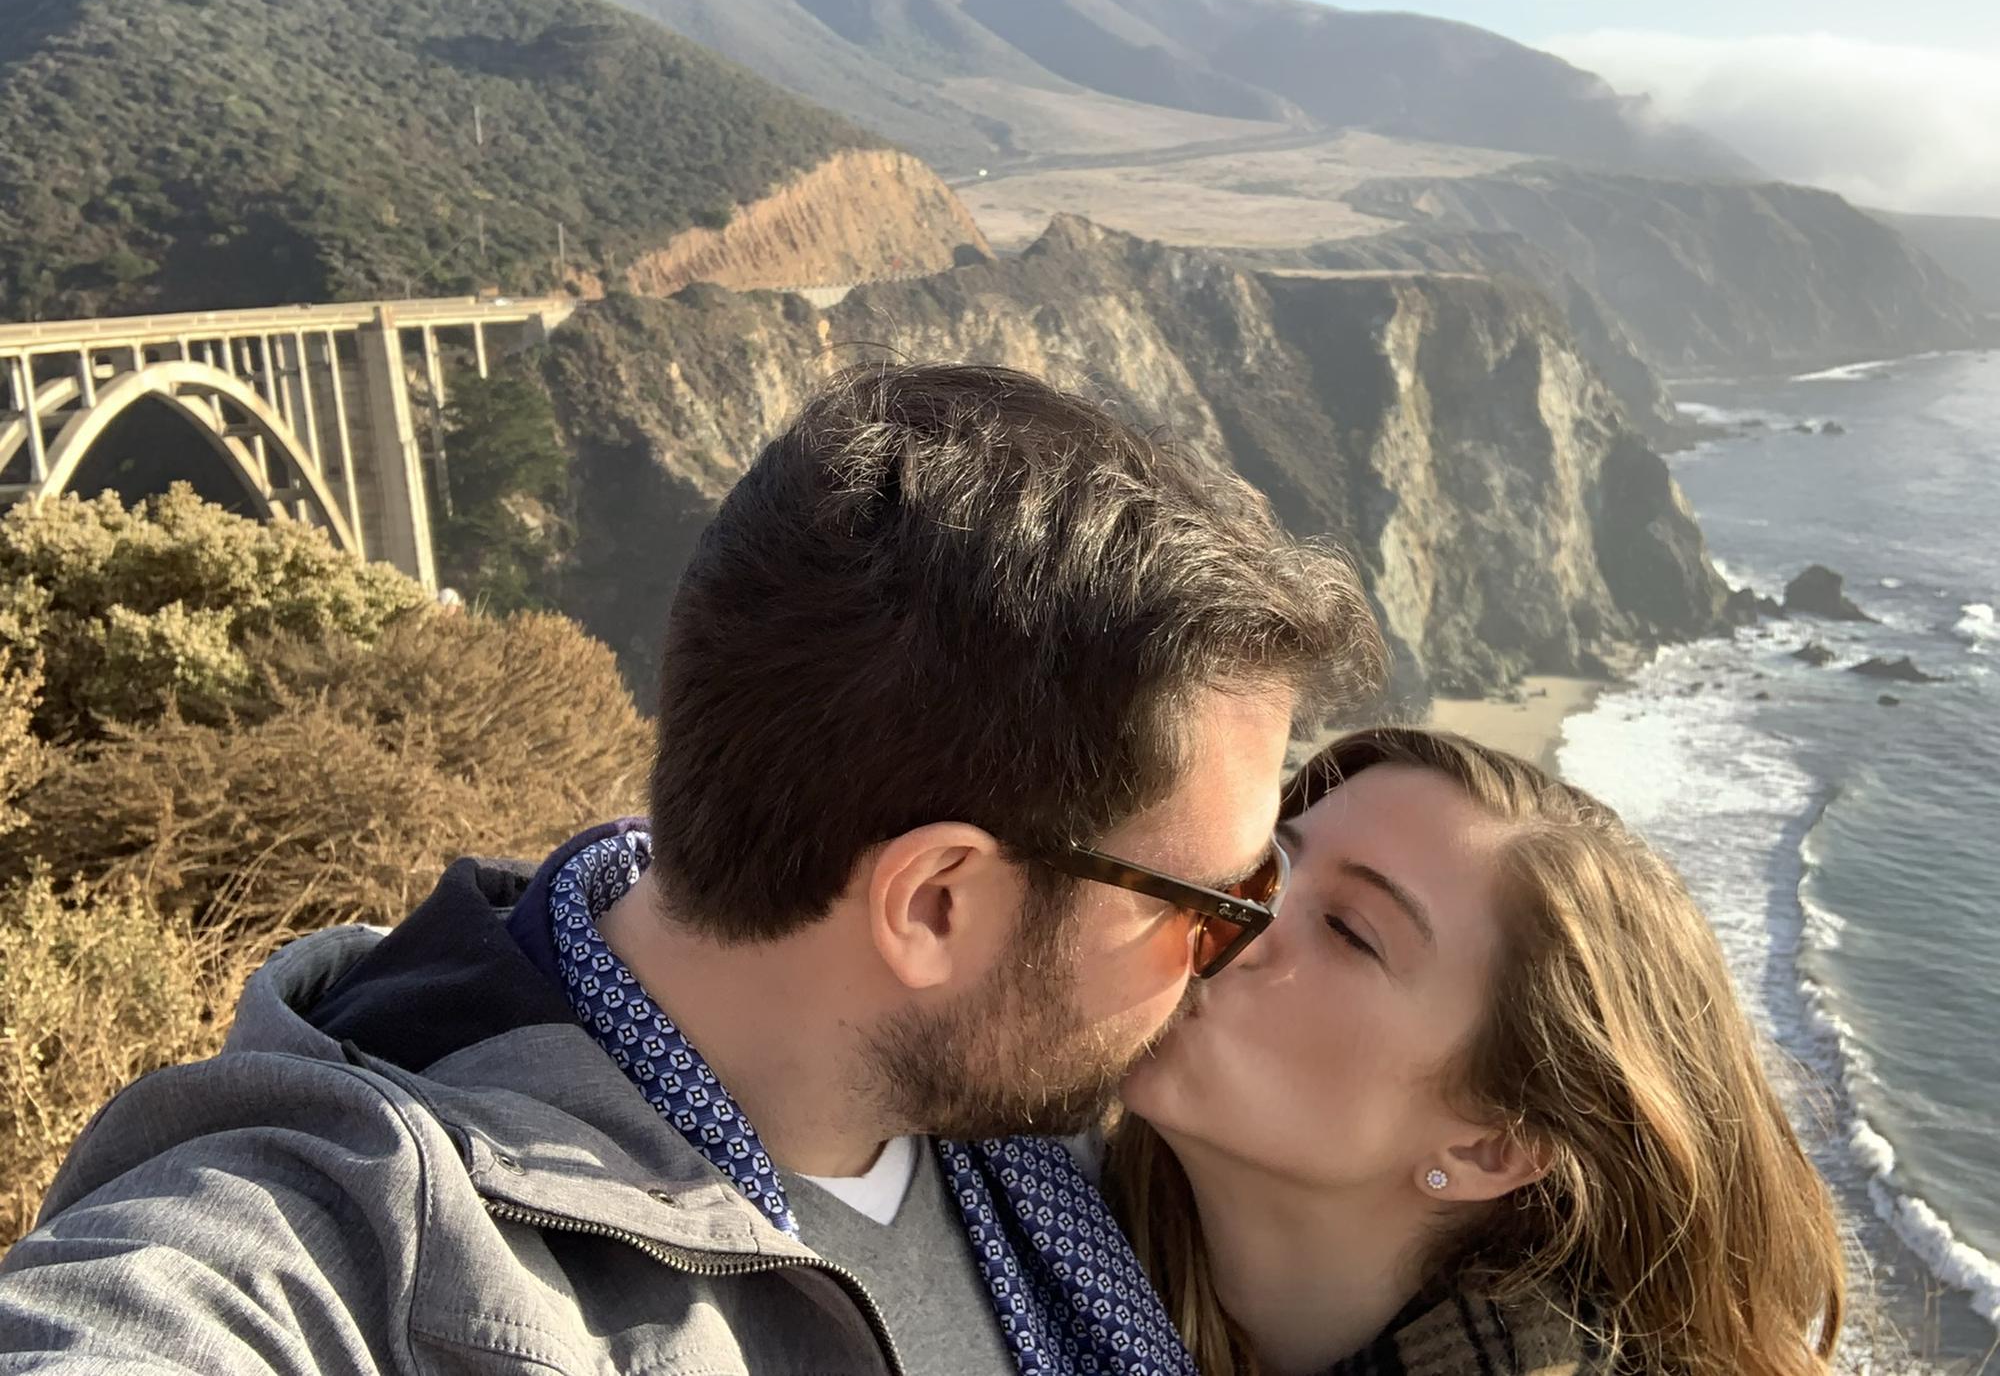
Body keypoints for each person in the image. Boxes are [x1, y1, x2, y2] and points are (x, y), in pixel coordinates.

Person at [0, 362, 1386, 1374]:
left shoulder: (1087, 1176)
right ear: (938, 904)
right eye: (1217, 907)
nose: (1245, 954)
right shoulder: (367, 1241)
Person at [1110, 726, 1846, 1376]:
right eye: (1267, 861)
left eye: (1348, 931)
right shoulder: (1033, 1188)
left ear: (1490, 1148)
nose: (1229, 906)